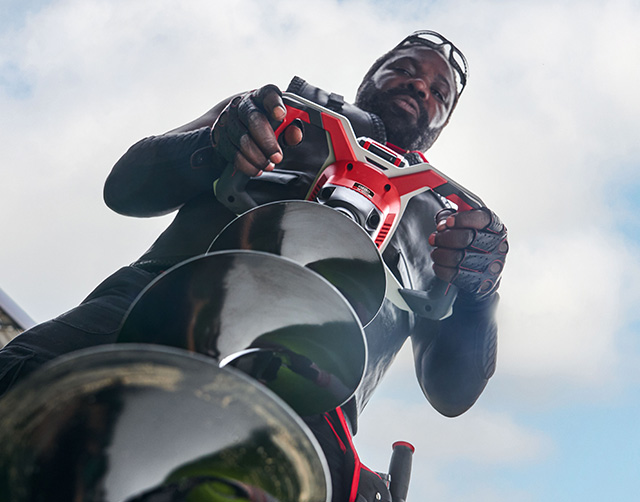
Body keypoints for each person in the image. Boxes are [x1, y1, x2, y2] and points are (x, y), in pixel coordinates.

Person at [0, 31, 508, 502]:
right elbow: (126, 188)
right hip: (150, 308)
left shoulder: (455, 227)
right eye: (405, 69)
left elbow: (452, 392)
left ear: (441, 124)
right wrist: (212, 144)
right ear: (370, 76)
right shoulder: (271, 115)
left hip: (311, 398)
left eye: (440, 92)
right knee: (17, 388)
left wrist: (479, 292)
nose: (421, 86)